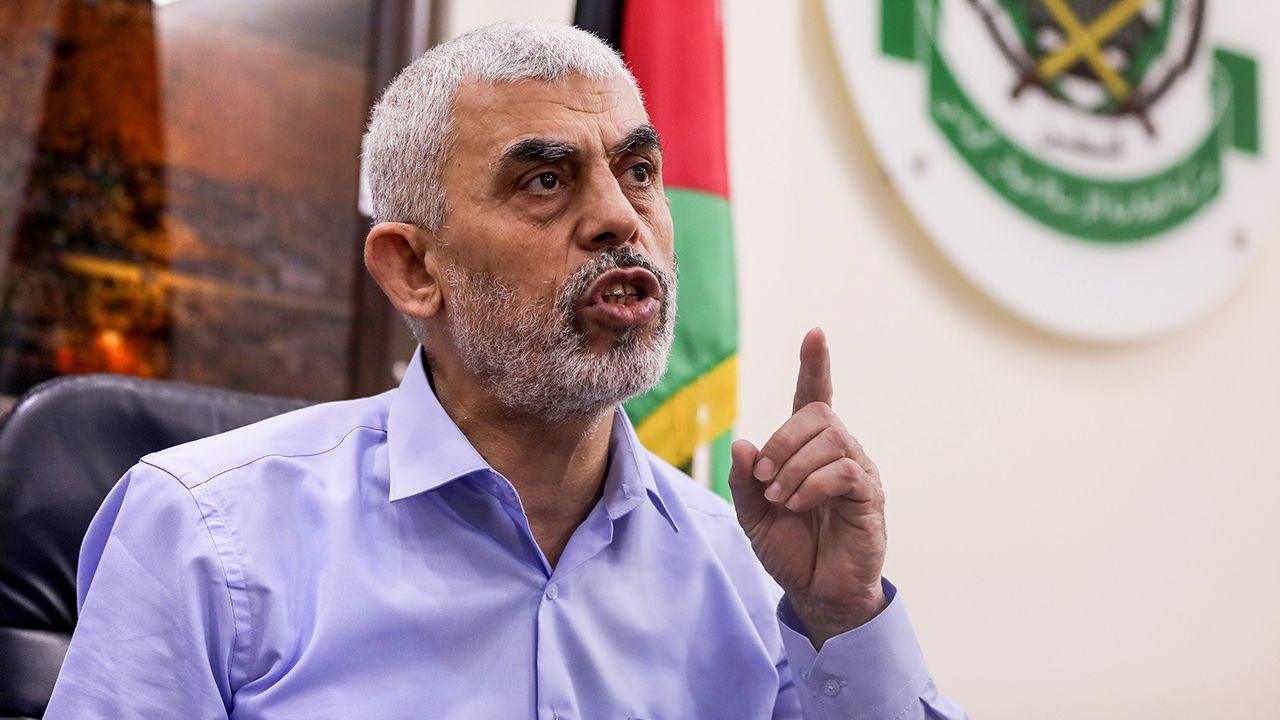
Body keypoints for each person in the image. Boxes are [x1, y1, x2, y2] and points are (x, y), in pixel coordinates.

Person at [45, 21, 967, 720]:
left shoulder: (752, 573)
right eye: (545, 180)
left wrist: (843, 614)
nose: (621, 218)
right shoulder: (208, 533)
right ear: (413, 269)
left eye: (639, 170)